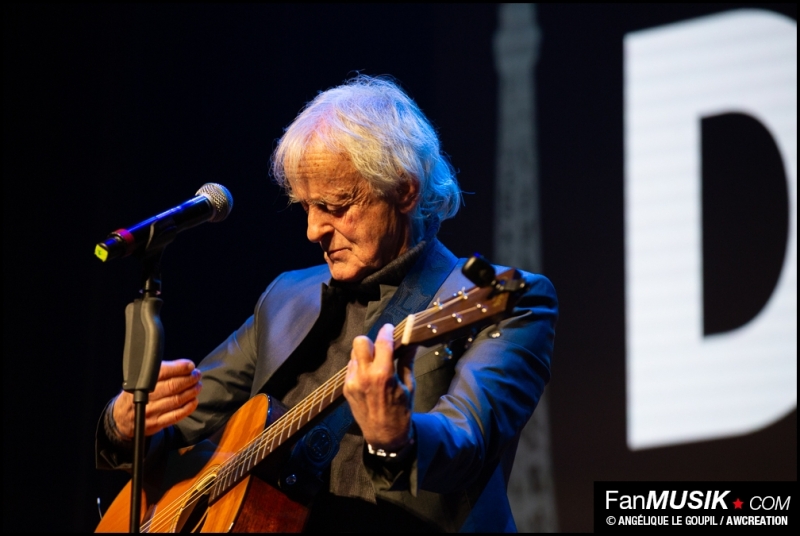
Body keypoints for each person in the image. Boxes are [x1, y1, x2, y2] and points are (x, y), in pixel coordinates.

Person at [96, 75, 558, 532]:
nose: (313, 231)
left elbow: (466, 444)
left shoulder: (508, 301)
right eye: (306, 207)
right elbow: (177, 429)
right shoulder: (284, 297)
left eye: (336, 207)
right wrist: (126, 424)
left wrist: (396, 437)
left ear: (404, 189)